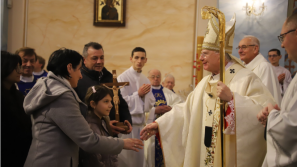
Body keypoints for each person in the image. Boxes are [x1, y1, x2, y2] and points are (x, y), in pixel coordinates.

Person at [140, 14, 276, 167]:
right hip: (205, 152)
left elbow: (265, 112)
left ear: (219, 54)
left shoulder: (246, 78)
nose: (200, 58)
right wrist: (159, 124)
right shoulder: (206, 82)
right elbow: (186, 109)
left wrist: (232, 100)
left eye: (204, 53)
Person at [23, 48, 143, 167]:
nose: (81, 76)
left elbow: (71, 125)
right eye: (79, 69)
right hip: (52, 161)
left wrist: (104, 125)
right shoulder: (61, 95)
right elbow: (87, 140)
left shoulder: (48, 86)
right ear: (69, 68)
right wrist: (122, 143)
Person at [257, 12, 297, 167]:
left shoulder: (282, 71)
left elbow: (292, 126)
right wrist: (279, 113)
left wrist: (272, 114)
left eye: (283, 37)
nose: (282, 44)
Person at [75, 42, 132, 135]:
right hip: (90, 135)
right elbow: (78, 110)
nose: (99, 61)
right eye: (95, 58)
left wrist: (126, 121)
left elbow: (119, 102)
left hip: (112, 135)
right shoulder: (78, 79)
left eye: (102, 57)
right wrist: (104, 125)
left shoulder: (109, 77)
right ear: (84, 59)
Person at [117, 47, 155, 167]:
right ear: (131, 59)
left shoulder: (145, 79)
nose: (139, 60)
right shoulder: (122, 78)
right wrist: (138, 94)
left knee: (138, 162)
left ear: (146, 60)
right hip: (126, 127)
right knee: (125, 161)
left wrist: (143, 97)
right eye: (136, 57)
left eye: (142, 58)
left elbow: (150, 103)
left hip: (139, 127)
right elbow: (120, 103)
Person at [82, 85, 133, 167]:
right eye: (106, 101)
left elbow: (111, 155)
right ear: (93, 104)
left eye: (110, 101)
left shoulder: (103, 122)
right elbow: (95, 160)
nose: (111, 105)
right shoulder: (91, 127)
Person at [145, 69, 183, 167]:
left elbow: (180, 106)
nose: (155, 79)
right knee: (150, 156)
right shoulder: (145, 92)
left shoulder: (168, 93)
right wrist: (154, 111)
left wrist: (171, 109)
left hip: (165, 131)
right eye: (153, 76)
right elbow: (139, 111)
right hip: (150, 130)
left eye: (158, 76)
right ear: (148, 78)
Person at [1, 51, 32, 167]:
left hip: (21, 154)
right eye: (15, 68)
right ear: (4, 68)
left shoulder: (17, 95)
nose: (20, 71)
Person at [237, 35, 282, 106]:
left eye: (244, 47)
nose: (240, 51)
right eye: (239, 48)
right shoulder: (241, 67)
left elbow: (266, 99)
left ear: (255, 49)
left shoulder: (264, 67)